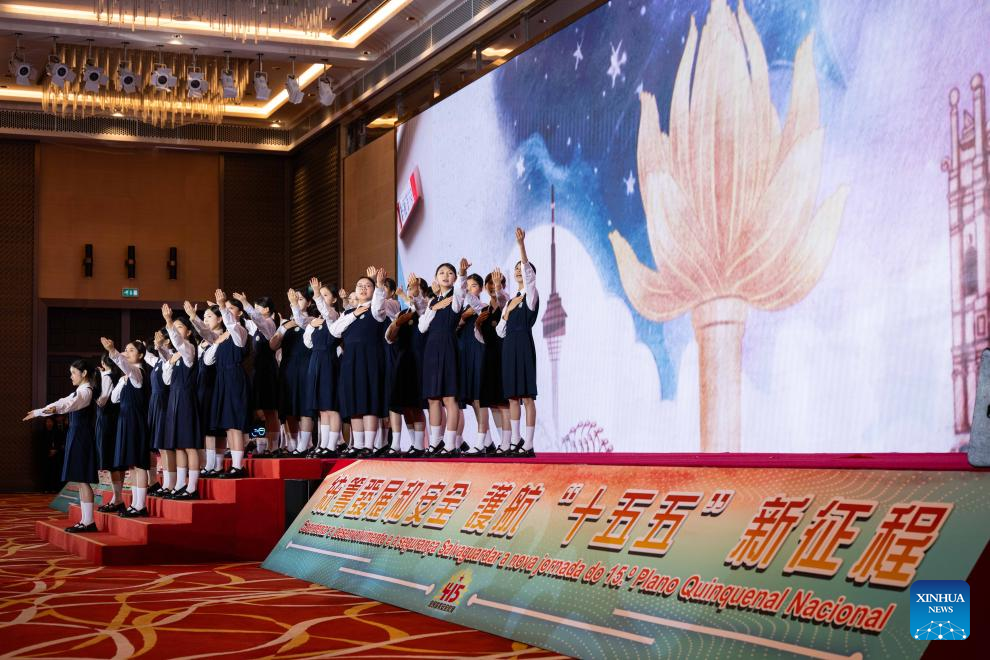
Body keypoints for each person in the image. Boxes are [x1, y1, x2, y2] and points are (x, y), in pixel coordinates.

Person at [24, 359, 98, 532]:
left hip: (82, 437)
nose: (71, 376)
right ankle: (86, 520)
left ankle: (89, 521)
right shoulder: (79, 390)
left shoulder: (86, 391)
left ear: (84, 373)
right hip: (76, 435)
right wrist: (39, 412)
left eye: (73, 373)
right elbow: (61, 401)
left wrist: (52, 410)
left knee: (83, 480)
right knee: (80, 480)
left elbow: (68, 405)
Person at [330, 267, 389, 458]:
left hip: (370, 359)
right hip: (350, 360)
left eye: (367, 286)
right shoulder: (349, 313)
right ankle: (358, 445)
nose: (363, 289)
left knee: (369, 400)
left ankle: (369, 446)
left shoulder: (377, 309)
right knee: (354, 401)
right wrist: (354, 314)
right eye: (359, 286)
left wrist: (378, 285)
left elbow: (378, 304)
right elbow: (335, 331)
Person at [497, 227, 539, 457]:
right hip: (509, 348)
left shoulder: (531, 295)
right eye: (516, 269)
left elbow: (528, 275)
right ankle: (515, 441)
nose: (519, 271)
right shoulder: (510, 301)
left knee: (527, 397)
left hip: (523, 345)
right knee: (513, 397)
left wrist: (521, 246)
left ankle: (529, 444)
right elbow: (500, 331)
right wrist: (506, 312)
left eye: (521, 268)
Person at [202, 289, 252, 479]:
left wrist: (222, 306)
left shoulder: (239, 331)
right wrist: (216, 343)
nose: (227, 311)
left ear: (238, 313)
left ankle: (238, 466)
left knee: (235, 423)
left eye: (231, 309)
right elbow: (207, 361)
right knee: (228, 424)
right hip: (222, 379)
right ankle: (230, 465)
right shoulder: (222, 337)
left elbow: (231, 324)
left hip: (234, 378)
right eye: (226, 309)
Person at [418, 262, 466, 457]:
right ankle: (435, 443)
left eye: (450, 273)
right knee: (433, 398)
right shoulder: (432, 302)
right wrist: (434, 306)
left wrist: (463, 274)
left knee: (449, 397)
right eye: (441, 273)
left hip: (448, 346)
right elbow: (422, 327)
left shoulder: (456, 296)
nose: (446, 276)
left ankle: (451, 444)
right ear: (436, 278)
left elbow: (461, 289)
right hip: (431, 349)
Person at [102, 337, 152, 517]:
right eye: (126, 349)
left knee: (139, 464)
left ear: (141, 355)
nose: (128, 353)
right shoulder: (127, 376)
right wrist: (122, 381)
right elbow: (114, 399)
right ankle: (135, 504)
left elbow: (128, 368)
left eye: (132, 350)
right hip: (125, 421)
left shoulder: (138, 372)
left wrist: (113, 352)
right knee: (132, 465)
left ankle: (140, 505)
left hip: (136, 421)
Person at [161, 304, 203, 499]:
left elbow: (178, 342)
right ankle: (179, 484)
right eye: (174, 327)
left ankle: (192, 487)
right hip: (174, 399)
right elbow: (167, 381)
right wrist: (168, 361)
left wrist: (169, 321)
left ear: (188, 332)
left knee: (189, 444)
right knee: (178, 445)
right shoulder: (175, 355)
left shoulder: (189, 349)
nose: (176, 331)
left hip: (186, 398)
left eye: (180, 327)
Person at [233, 293, 279, 456]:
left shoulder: (269, 324)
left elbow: (256, 318)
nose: (255, 311)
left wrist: (245, 303)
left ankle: (273, 447)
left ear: (266, 310)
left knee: (270, 410)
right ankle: (263, 445)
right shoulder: (257, 327)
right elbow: (246, 322)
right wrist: (225, 310)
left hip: (268, 370)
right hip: (258, 370)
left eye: (258, 308)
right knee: (260, 410)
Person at [305, 277, 345, 456]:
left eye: (325, 295)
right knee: (322, 407)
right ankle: (323, 444)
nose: (320, 298)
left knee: (331, 405)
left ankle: (332, 445)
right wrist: (310, 325)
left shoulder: (334, 316)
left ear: (334, 299)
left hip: (329, 361)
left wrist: (315, 294)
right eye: (319, 295)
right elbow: (308, 343)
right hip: (315, 361)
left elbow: (327, 314)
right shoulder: (317, 320)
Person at [95, 353, 125, 511]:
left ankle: (117, 498)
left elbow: (102, 400)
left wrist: (93, 393)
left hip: (107, 421)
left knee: (111, 460)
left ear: (103, 363)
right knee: (117, 461)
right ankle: (117, 497)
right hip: (116, 419)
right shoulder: (116, 375)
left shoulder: (107, 377)